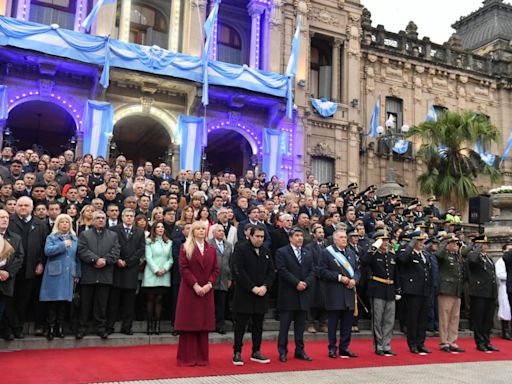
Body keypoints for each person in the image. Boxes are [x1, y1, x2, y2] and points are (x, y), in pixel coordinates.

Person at [174, 221, 219, 366]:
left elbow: (216, 269)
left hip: (206, 291)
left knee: (202, 324)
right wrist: (195, 285)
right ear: (192, 231)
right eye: (198, 229)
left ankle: (201, 358)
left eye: (203, 229)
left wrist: (209, 284)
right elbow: (184, 268)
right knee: (189, 324)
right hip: (190, 291)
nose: (201, 231)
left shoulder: (211, 249)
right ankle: (187, 358)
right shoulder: (185, 247)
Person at [4, 196, 48, 339]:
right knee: (9, 299)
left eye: (26, 206)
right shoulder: (9, 222)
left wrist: (41, 262)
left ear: (32, 208)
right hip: (10, 269)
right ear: (15, 207)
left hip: (30, 268)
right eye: (20, 205)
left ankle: (18, 327)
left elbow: (43, 246)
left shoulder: (40, 224)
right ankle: (8, 328)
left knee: (24, 300)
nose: (23, 208)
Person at [232, 225, 275, 366]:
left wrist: (265, 287)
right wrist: (252, 287)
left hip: (261, 294)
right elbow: (238, 271)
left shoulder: (266, 251)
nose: (259, 239)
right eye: (257, 236)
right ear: (250, 236)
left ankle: (256, 351)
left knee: (258, 325)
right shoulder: (241, 249)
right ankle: (237, 352)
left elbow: (271, 272)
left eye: (262, 237)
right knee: (241, 325)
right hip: (245, 294)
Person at [77, 210, 120, 339]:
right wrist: (95, 260)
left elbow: (116, 251)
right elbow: (82, 250)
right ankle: (82, 327)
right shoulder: (84, 234)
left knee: (102, 304)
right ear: (93, 220)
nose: (100, 220)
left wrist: (105, 261)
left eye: (103, 218)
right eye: (98, 218)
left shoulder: (113, 235)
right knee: (85, 303)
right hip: (89, 274)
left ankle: (100, 327)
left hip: (105, 274)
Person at [275, 227, 315, 362]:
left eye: (301, 236)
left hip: (303, 294)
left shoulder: (307, 253)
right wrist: (296, 282)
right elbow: (282, 270)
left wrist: (306, 283)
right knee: (285, 326)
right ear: (290, 238)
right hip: (288, 294)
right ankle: (282, 351)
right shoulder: (282, 252)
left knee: (300, 326)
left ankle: (300, 350)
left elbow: (312, 271)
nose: (300, 238)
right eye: (297, 236)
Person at [319, 228, 360, 358]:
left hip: (349, 292)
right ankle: (332, 348)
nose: (344, 239)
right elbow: (321, 271)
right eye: (341, 237)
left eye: (345, 237)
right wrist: (338, 277)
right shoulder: (327, 253)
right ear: (335, 239)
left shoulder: (351, 253)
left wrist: (355, 279)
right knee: (333, 323)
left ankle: (344, 347)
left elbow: (358, 270)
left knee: (347, 322)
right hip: (334, 293)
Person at [39, 214, 79, 340]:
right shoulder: (52, 237)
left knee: (63, 302)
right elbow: (48, 251)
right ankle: (50, 327)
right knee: (53, 301)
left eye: (67, 222)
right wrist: (63, 245)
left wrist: (77, 273)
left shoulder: (75, 239)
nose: (65, 224)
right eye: (62, 222)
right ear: (58, 224)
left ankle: (60, 327)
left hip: (68, 273)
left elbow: (77, 258)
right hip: (54, 273)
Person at [107, 208, 145, 335]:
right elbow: (111, 247)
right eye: (127, 215)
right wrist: (118, 259)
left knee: (129, 302)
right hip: (116, 269)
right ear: (122, 217)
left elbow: (141, 250)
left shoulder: (139, 232)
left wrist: (128, 262)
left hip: (131, 270)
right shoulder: (113, 230)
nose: (129, 218)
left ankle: (126, 327)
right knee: (113, 301)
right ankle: (110, 326)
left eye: (131, 216)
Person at [361, 230, 397, 356]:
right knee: (378, 319)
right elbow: (364, 261)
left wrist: (397, 290)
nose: (386, 242)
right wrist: (373, 247)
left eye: (387, 240)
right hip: (377, 289)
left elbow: (395, 274)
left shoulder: (391, 255)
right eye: (383, 240)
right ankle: (379, 345)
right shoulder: (373, 254)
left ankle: (387, 345)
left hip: (390, 290)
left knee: (389, 320)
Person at [397, 231, 433, 354]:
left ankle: (420, 343)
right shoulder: (407, 252)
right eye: (419, 240)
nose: (422, 243)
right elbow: (402, 259)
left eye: (423, 240)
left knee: (423, 319)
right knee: (413, 319)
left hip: (424, 291)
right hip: (413, 291)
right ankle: (412, 344)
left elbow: (428, 272)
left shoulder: (425, 255)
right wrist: (410, 245)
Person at [468, 235, 499, 352]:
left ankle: (487, 341)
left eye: (485, 244)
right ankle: (480, 341)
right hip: (479, 293)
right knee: (479, 319)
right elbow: (472, 260)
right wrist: (477, 248)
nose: (485, 246)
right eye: (483, 244)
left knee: (488, 319)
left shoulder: (488, 258)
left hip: (490, 293)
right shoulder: (474, 255)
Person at [142, 222, 173, 335]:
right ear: (153, 229)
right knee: (151, 299)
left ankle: (157, 326)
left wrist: (164, 269)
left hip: (164, 274)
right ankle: (150, 326)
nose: (160, 229)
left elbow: (171, 258)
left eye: (162, 227)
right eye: (158, 227)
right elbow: (148, 257)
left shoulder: (169, 242)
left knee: (160, 299)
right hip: (151, 274)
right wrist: (156, 270)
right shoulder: (149, 241)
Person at [436, 234, 465, 352]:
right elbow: (439, 253)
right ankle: (444, 342)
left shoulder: (457, 257)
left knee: (455, 317)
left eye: (456, 244)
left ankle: (452, 340)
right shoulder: (444, 255)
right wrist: (446, 241)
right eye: (453, 243)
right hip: (446, 289)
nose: (455, 245)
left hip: (456, 290)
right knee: (445, 317)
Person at [0, 209, 23, 333]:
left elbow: (19, 257)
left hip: (6, 279)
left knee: (3, 308)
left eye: (7, 218)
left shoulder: (15, 238)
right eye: (1, 217)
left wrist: (8, 272)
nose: (4, 220)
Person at [209, 224, 233, 335]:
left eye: (223, 231)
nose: (221, 232)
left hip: (224, 278)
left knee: (222, 303)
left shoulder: (228, 245)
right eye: (219, 231)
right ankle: (210, 324)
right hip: (211, 278)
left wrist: (230, 278)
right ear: (213, 233)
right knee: (211, 303)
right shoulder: (209, 244)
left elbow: (231, 262)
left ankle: (220, 325)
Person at [496, 244, 511, 340]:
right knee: (505, 309)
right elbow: (500, 275)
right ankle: (505, 331)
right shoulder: (500, 262)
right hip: (504, 287)